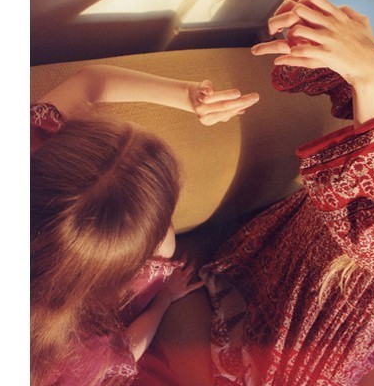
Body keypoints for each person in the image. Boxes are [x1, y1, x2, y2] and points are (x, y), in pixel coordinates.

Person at [199, 0, 374, 385]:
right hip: (308, 230)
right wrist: (340, 44)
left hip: (353, 291)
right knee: (266, 278)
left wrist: (369, 77)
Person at [30, 65, 260, 386]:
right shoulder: (63, 354)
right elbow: (126, 349)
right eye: (163, 221)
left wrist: (188, 95)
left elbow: (89, 82)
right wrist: (164, 298)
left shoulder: (33, 142)